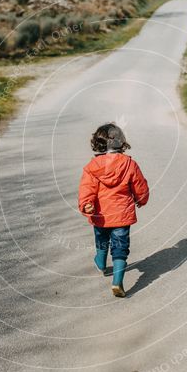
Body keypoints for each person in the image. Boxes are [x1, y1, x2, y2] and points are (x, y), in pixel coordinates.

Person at [78, 123, 149, 297]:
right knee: (120, 247)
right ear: (121, 142)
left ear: (99, 143)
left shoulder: (93, 166)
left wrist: (87, 204)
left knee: (101, 239)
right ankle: (117, 282)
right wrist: (141, 199)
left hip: (100, 215)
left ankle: (101, 262)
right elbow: (139, 186)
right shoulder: (129, 164)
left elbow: (86, 189)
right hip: (121, 215)